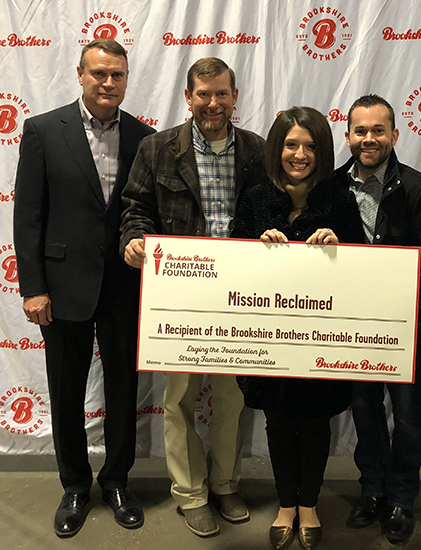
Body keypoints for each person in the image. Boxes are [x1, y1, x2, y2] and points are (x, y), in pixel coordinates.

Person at [13, 39, 155, 538]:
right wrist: (33, 287)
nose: (108, 83)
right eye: (98, 74)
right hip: (61, 287)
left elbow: (146, 215)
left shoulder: (145, 137)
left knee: (122, 390)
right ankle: (74, 486)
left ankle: (117, 481)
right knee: (67, 391)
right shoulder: (44, 130)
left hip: (125, 288)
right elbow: (28, 216)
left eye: (116, 74)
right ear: (80, 73)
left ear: (126, 77)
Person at [120, 57, 267, 538]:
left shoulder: (257, 151)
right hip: (180, 295)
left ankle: (225, 485)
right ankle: (190, 494)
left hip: (241, 295)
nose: (212, 103)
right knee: (178, 398)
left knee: (230, 397)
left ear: (234, 96)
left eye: (221, 93)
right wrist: (136, 239)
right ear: (188, 97)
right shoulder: (156, 148)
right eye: (203, 94)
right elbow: (136, 208)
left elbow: (275, 211)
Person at [232, 106, 365, 550]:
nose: (300, 154)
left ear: (322, 151)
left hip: (321, 341)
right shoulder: (254, 198)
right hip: (267, 341)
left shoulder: (340, 199)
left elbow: (364, 270)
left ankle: (308, 504)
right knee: (277, 422)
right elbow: (232, 264)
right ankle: (285, 503)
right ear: (277, 147)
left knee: (313, 425)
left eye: (309, 146)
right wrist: (257, 247)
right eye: (291, 144)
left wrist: (339, 247)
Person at [334, 94, 421, 545]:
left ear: (395, 135)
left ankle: (402, 497)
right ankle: (372, 490)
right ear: (348, 135)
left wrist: (406, 321)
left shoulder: (419, 189)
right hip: (353, 328)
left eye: (378, 130)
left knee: (407, 414)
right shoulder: (332, 186)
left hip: (406, 330)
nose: (369, 139)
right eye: (360, 130)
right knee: (364, 410)